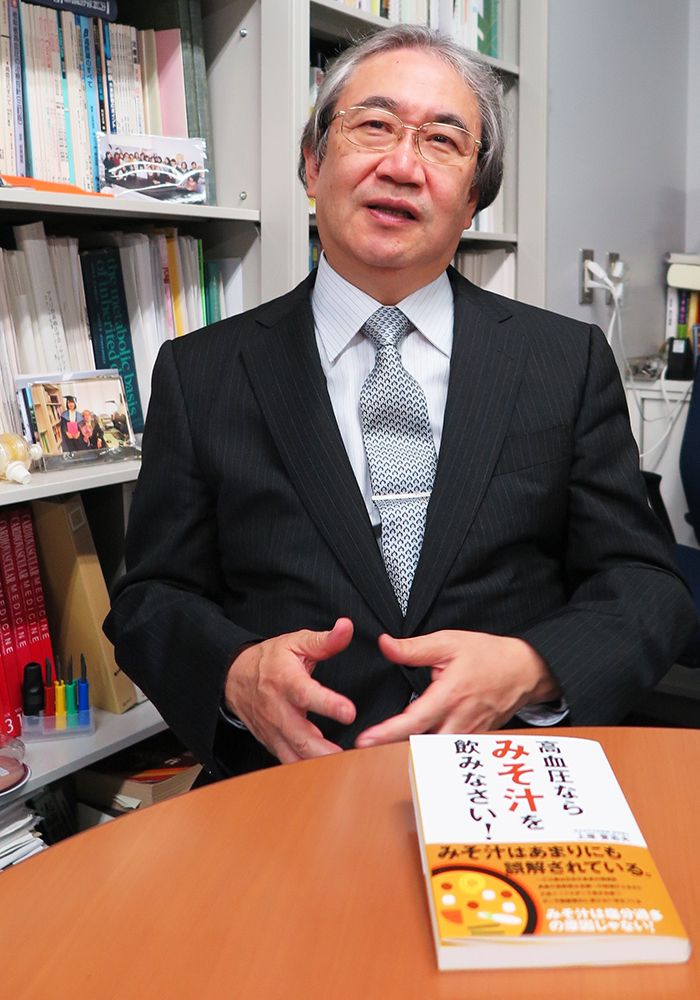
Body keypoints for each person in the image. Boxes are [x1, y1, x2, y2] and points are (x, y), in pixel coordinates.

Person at [105, 25, 696, 780]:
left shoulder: (564, 362)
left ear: (475, 197)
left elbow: (647, 586)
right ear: (312, 162)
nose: (402, 166)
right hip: (288, 787)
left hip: (506, 779)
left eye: (443, 141)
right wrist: (233, 672)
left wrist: (531, 667)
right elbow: (152, 597)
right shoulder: (202, 373)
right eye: (375, 126)